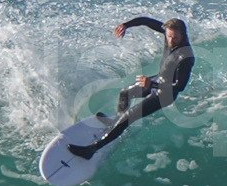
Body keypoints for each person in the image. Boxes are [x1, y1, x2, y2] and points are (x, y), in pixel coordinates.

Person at [71, 16, 194, 157]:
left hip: (166, 94)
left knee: (130, 116)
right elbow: (146, 21)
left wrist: (152, 84)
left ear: (183, 36)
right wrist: (126, 25)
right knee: (125, 93)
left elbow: (179, 86)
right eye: (169, 36)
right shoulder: (169, 33)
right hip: (157, 79)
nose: (171, 41)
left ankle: (91, 150)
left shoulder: (186, 56)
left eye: (176, 38)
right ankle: (116, 122)